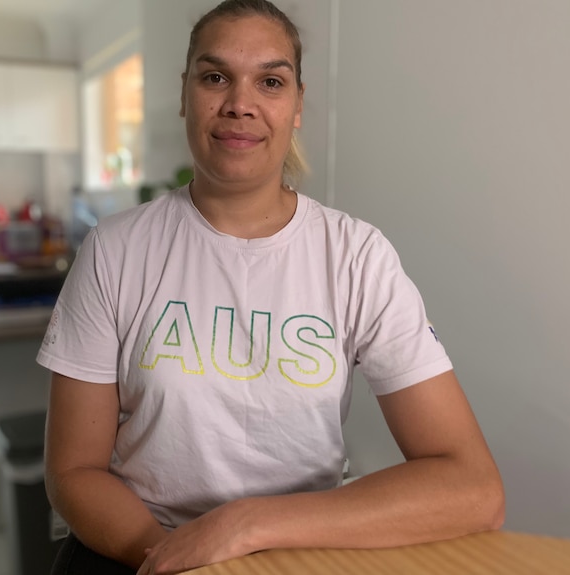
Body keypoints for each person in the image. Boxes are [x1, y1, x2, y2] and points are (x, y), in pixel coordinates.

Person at [37, 1, 505, 574]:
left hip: (299, 557)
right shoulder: (115, 249)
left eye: (270, 81)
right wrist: (176, 560)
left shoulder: (355, 256)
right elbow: (73, 473)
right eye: (215, 78)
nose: (240, 104)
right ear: (184, 94)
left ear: (298, 104)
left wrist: (247, 525)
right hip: (143, 553)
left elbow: (473, 488)